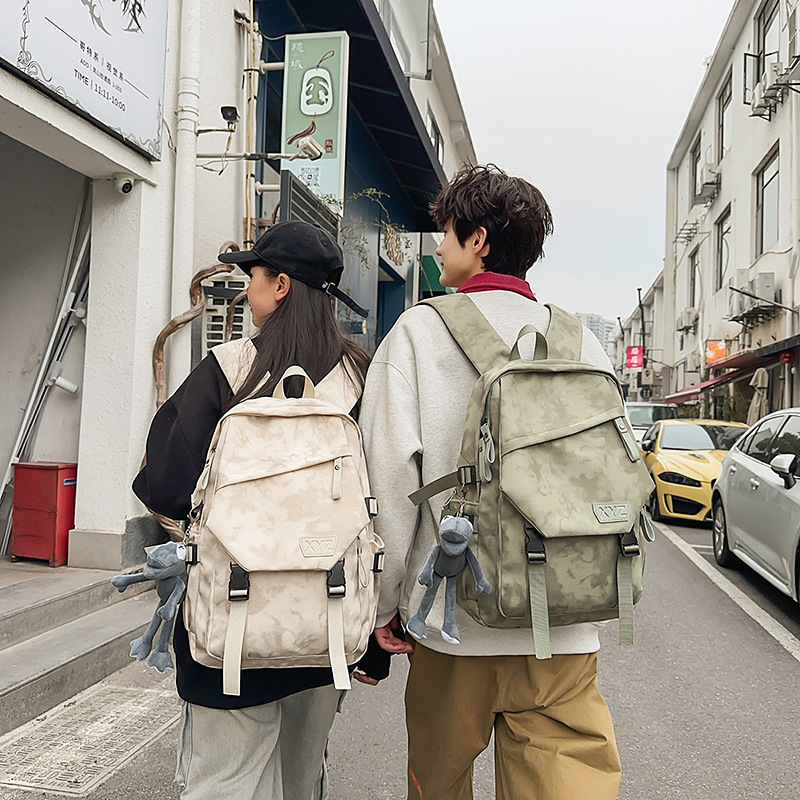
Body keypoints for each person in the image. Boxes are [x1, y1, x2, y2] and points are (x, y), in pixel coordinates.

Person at [360, 164, 622, 800]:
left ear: (478, 240)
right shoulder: (580, 339)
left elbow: (390, 485)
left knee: (439, 783)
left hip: (452, 624)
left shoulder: (419, 333)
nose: (440, 245)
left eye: (447, 231)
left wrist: (385, 606)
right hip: (562, 628)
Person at [133, 221, 388, 800]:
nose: (247, 290)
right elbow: (383, 505)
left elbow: (165, 485)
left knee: (223, 781)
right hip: (325, 623)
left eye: (253, 277)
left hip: (232, 623)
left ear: (280, 287)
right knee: (302, 778)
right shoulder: (361, 379)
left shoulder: (228, 370)